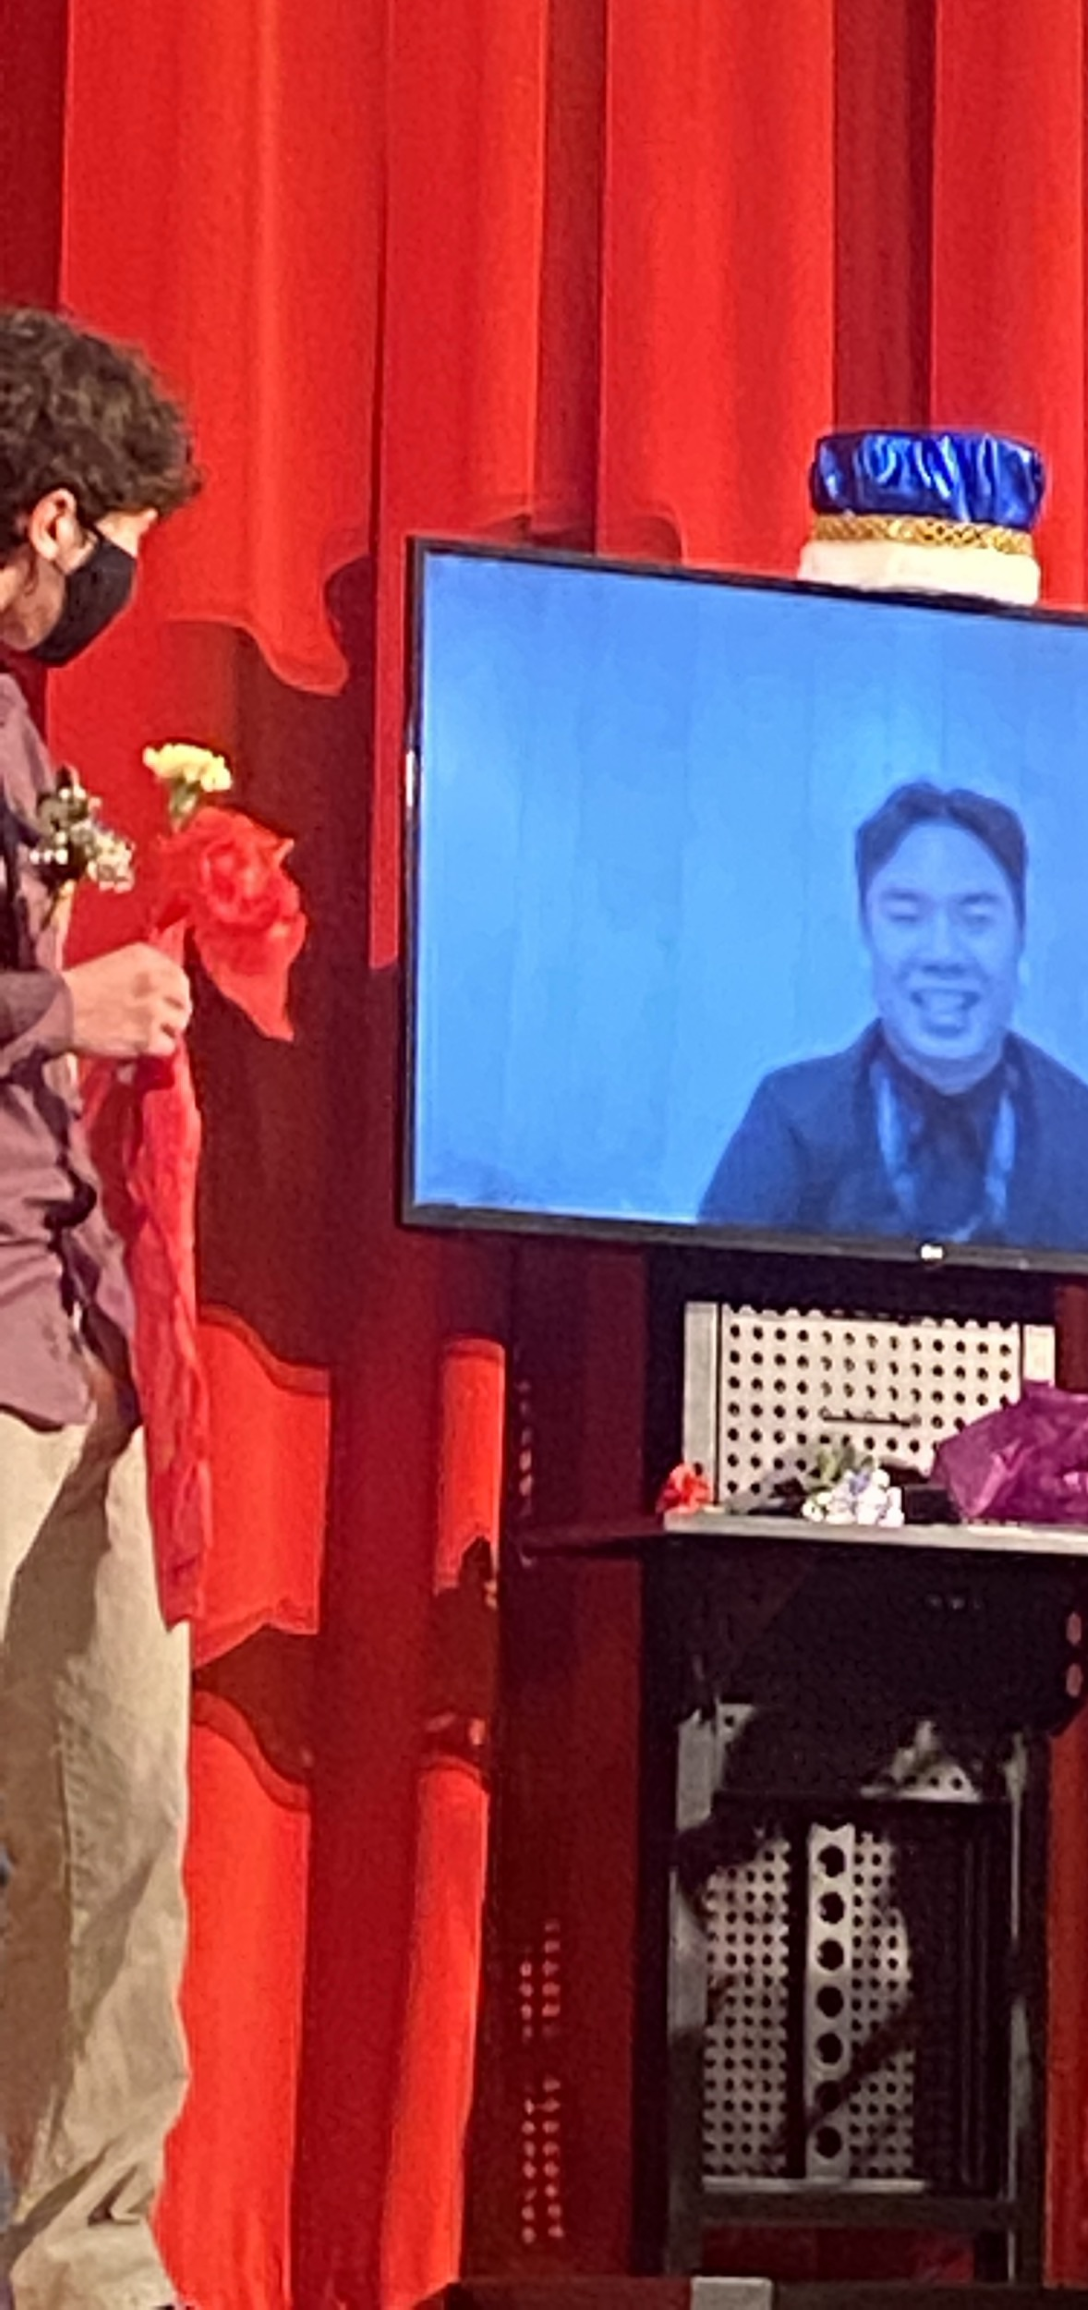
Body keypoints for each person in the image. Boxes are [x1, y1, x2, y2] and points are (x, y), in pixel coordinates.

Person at [0, 307, 200, 2310]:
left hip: (73, 1335)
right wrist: (68, 1000)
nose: (122, 586)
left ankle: (87, 2269)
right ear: (53, 521)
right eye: (124, 543)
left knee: (117, 1819)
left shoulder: (17, 722)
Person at [702, 782, 1088, 1256]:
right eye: (906, 917)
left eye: (976, 919)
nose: (943, 954)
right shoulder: (792, 1125)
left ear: (1020, 941)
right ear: (867, 939)